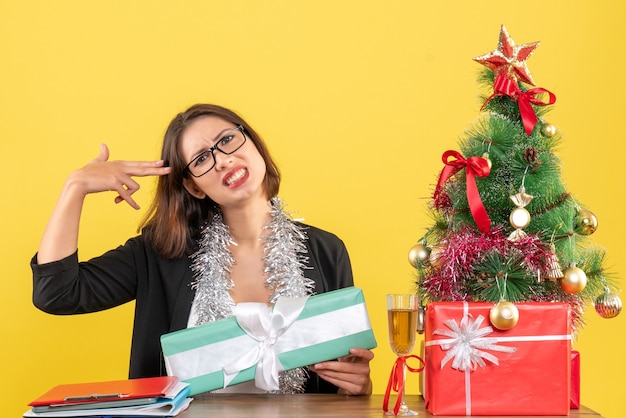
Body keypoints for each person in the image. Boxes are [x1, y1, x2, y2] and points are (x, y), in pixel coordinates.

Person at [31, 103, 373, 395]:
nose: (222, 160)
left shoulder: (326, 251)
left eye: (226, 141)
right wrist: (75, 187)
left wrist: (357, 385)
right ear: (193, 187)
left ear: (253, 142)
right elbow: (56, 293)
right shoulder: (160, 253)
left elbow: (345, 382)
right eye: (201, 159)